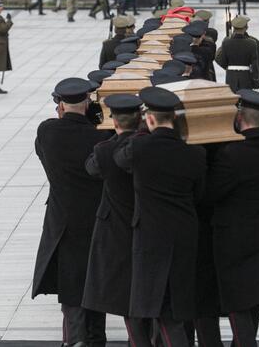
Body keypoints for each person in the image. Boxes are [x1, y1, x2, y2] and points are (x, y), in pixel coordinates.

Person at [113, 87, 207, 347]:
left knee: (159, 308)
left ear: (150, 118)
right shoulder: (195, 153)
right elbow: (199, 193)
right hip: (185, 234)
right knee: (176, 303)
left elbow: (120, 159)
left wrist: (140, 131)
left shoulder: (140, 147)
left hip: (150, 237)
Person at [196, 90, 259, 347]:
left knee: (237, 297)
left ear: (238, 118)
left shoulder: (231, 154)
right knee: (253, 294)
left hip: (230, 234)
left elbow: (209, 192)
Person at [32, 78, 113, 347]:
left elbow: (41, 154)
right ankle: (95, 338)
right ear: (88, 103)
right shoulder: (101, 137)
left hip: (63, 220)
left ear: (60, 105)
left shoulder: (47, 132)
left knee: (71, 287)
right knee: (95, 281)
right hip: (97, 218)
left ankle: (76, 340)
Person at [82, 93, 145, 341]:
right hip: (147, 225)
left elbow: (91, 168)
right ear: (141, 118)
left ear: (115, 122)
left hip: (115, 231)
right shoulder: (147, 147)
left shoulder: (104, 150)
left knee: (123, 294)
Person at [215, 16, 259, 92]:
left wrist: (229, 67)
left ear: (233, 28)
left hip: (231, 76)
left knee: (233, 99)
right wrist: (256, 81)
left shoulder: (226, 42)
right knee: (246, 99)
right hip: (245, 76)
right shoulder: (252, 43)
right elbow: (255, 64)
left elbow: (221, 60)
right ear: (246, 27)